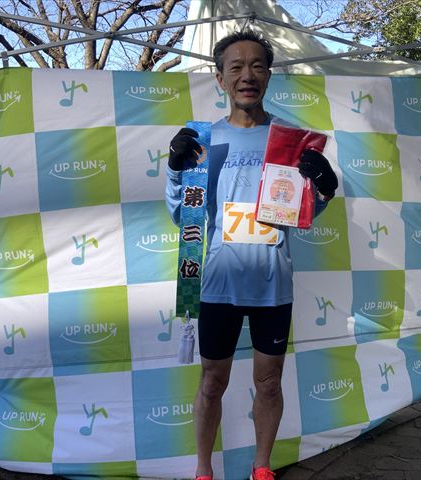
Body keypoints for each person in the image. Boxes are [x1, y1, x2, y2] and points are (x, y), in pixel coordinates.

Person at [165, 30, 338, 480]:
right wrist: (175, 172)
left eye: (257, 65)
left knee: (269, 382)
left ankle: (262, 468)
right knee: (211, 382)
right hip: (218, 283)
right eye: (236, 67)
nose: (248, 75)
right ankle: (203, 470)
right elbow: (184, 216)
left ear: (269, 75)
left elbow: (299, 211)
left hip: (272, 284)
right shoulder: (202, 141)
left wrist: (323, 190)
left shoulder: (290, 140)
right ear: (220, 78)